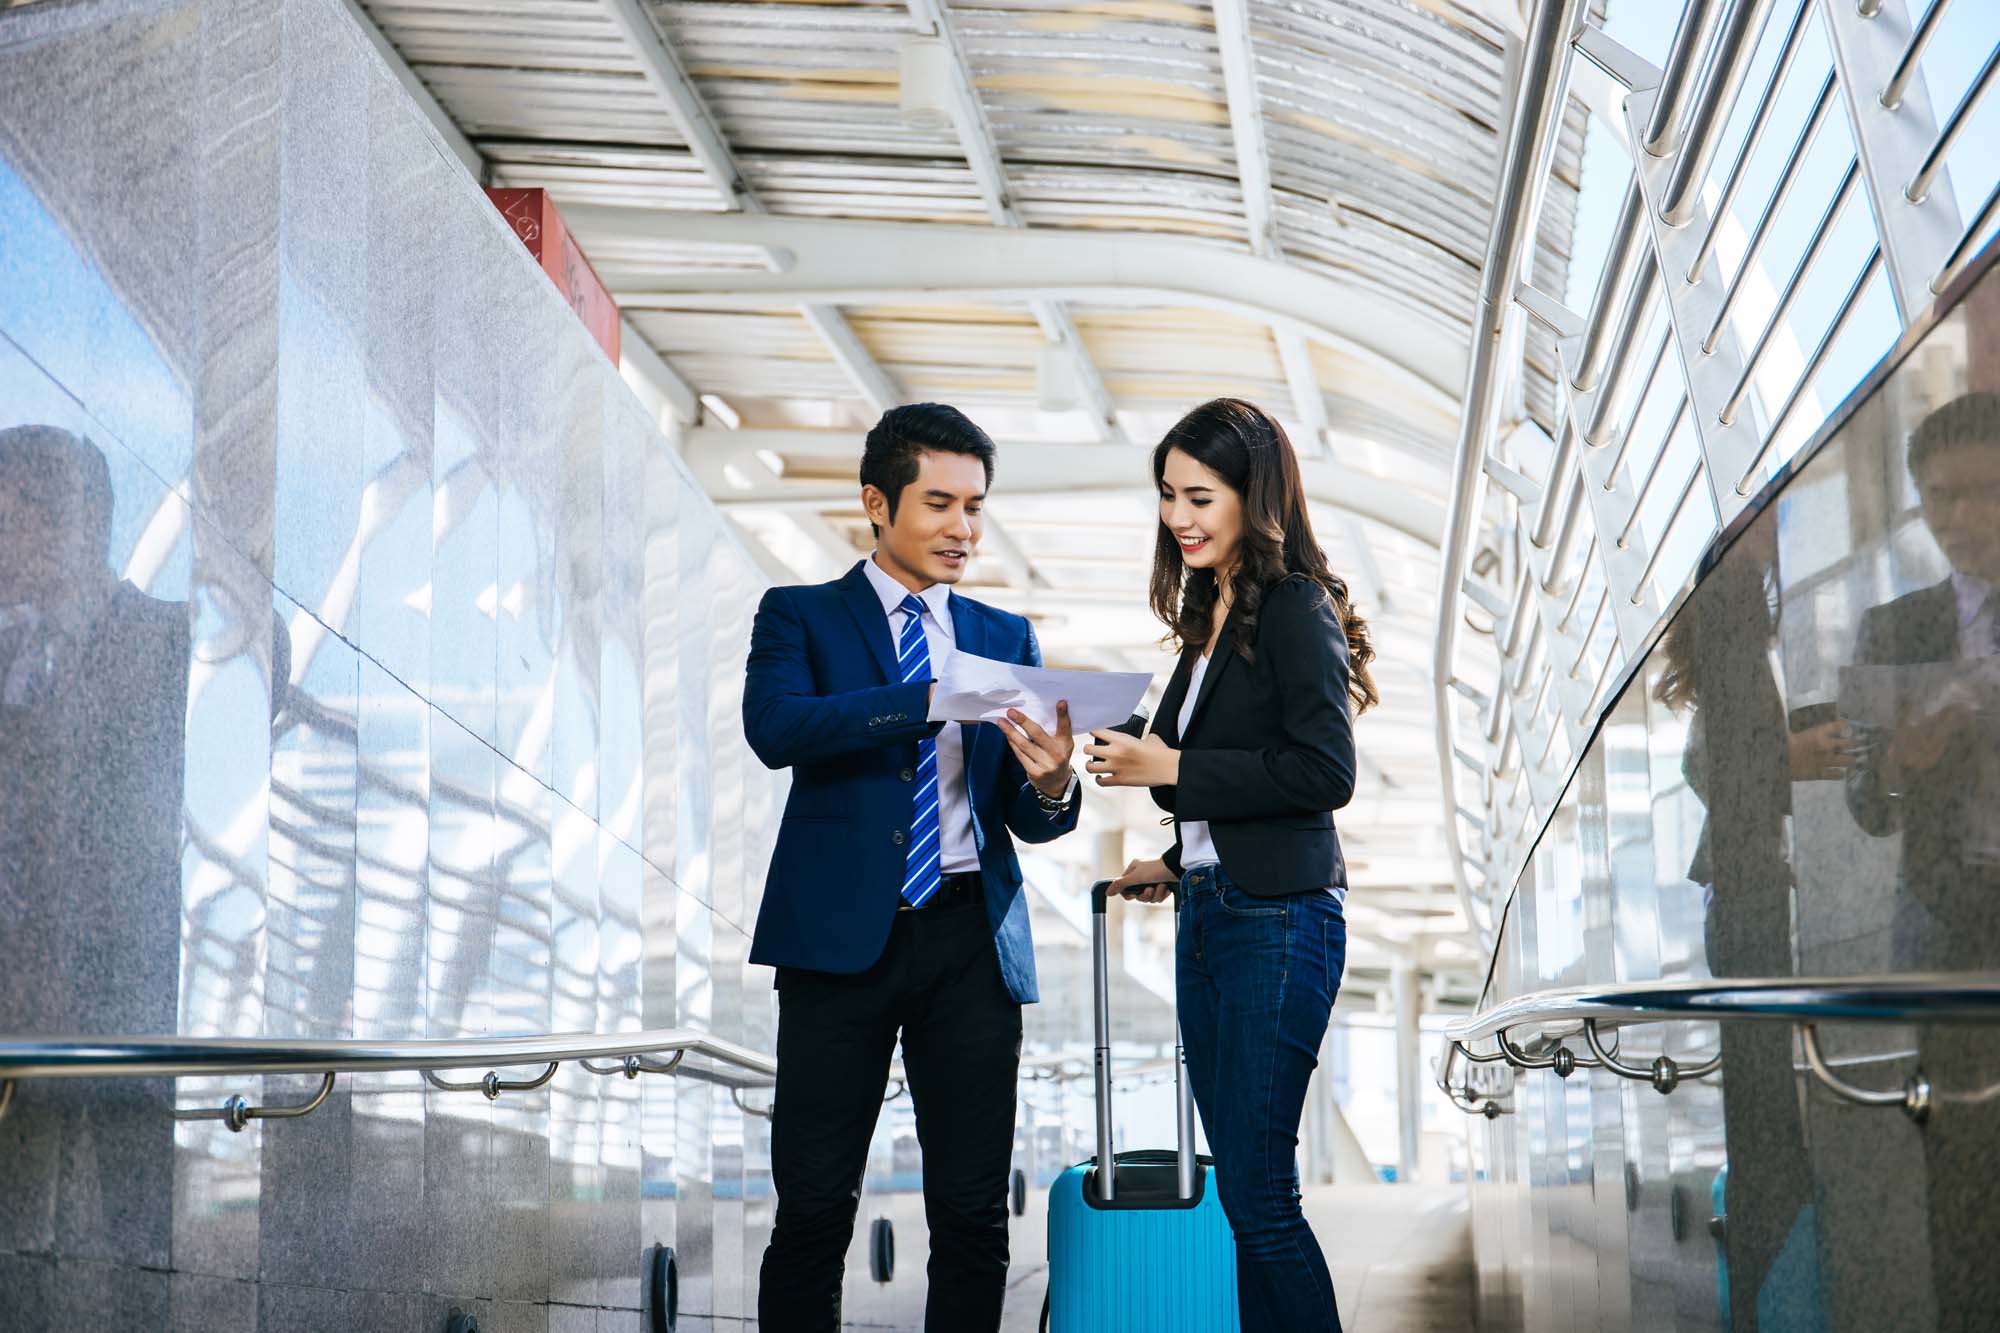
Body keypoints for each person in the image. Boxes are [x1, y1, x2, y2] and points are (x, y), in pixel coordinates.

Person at [743, 402, 1082, 1333]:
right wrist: (922, 700)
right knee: (814, 1209)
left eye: (975, 507)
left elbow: (1026, 809)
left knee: (973, 1216)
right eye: (939, 503)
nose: (963, 529)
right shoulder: (800, 615)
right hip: (837, 943)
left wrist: (1052, 785)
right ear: (875, 503)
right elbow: (775, 729)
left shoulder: (1005, 635)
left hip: (971, 936)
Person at [1084, 397, 1374, 1332]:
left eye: (1200, 495)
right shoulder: (1210, 619)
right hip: (1212, 912)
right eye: (1168, 495)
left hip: (1279, 921)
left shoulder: (1294, 604)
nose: (1180, 516)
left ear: (1256, 495)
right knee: (1247, 1200)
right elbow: (1226, 775)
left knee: (1259, 1194)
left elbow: (1325, 771)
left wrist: (1172, 769)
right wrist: (1178, 854)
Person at [1841, 391, 2000, 1329]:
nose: (1958, 518)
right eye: (1939, 499)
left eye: (1980, 492)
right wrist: (1900, 766)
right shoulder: (1895, 630)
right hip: (1952, 930)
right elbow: (1867, 805)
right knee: (1967, 1180)